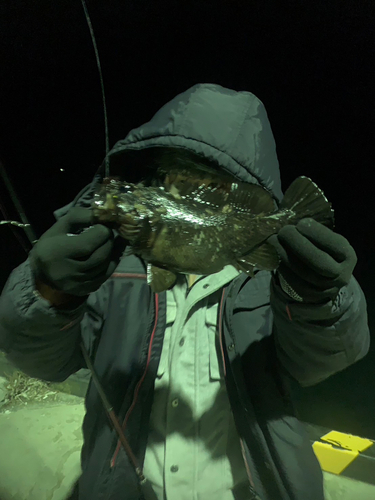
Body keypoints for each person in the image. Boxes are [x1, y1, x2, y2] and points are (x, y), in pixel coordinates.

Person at [0, 83, 369, 500]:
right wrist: (51, 292)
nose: (183, 192)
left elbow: (322, 359)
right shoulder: (105, 275)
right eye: (166, 178)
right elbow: (41, 360)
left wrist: (317, 296)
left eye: (213, 187)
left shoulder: (274, 279)